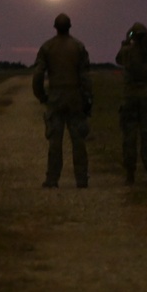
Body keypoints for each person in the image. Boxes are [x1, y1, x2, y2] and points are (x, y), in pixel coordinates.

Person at [32, 13, 93, 188]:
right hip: (75, 98)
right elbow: (85, 77)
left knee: (55, 141)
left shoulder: (47, 47)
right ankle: (81, 179)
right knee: (78, 141)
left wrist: (41, 95)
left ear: (55, 27)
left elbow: (38, 74)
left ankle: (52, 179)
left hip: (55, 98)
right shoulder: (78, 46)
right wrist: (88, 98)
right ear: (70, 26)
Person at [115, 22, 147, 185]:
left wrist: (126, 42)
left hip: (130, 98)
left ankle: (130, 174)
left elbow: (118, 59)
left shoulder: (127, 52)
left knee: (129, 137)